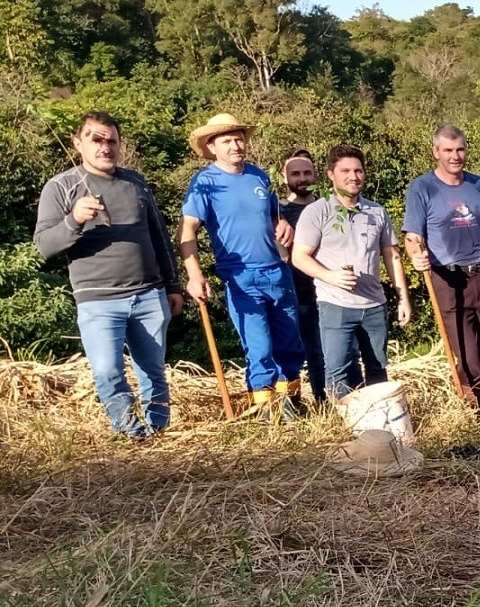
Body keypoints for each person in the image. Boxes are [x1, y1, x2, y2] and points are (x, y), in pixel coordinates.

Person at [34, 111, 184, 439]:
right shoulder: (61, 187)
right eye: (96, 139)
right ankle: (131, 433)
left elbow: (158, 235)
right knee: (107, 371)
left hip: (150, 294)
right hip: (97, 300)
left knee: (153, 372)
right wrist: (74, 220)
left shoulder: (135, 182)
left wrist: (173, 284)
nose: (106, 147)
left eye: (112, 141)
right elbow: (44, 245)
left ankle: (156, 432)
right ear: (78, 144)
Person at [179, 112, 305, 418]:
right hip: (240, 277)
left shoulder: (259, 176)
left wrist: (282, 224)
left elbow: (273, 216)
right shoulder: (204, 183)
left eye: (238, 139)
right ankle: (265, 414)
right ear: (212, 147)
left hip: (277, 271)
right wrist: (194, 275)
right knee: (259, 348)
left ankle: (292, 409)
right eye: (227, 141)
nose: (236, 145)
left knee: (290, 344)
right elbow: (187, 229)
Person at [402, 124, 480, 416]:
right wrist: (415, 256)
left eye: (460, 149)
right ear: (436, 152)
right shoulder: (422, 187)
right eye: (448, 150)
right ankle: (477, 416)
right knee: (469, 358)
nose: (455, 156)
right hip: (448, 279)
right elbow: (412, 236)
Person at [290, 145, 412, 400]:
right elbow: (299, 257)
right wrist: (330, 276)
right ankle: (344, 421)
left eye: (358, 171)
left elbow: (391, 256)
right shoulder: (317, 211)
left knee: (377, 367)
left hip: (374, 305)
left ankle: (379, 417)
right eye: (345, 171)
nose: (353, 176)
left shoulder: (376, 211)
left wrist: (403, 298)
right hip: (335, 305)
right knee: (338, 369)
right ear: (330, 174)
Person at [275, 148, 331, 405]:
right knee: (306, 352)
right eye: (295, 173)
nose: (302, 178)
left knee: (335, 351)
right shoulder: (277, 213)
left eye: (307, 172)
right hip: (296, 293)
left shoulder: (329, 207)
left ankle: (330, 402)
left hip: (331, 290)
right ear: (284, 176)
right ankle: (304, 404)